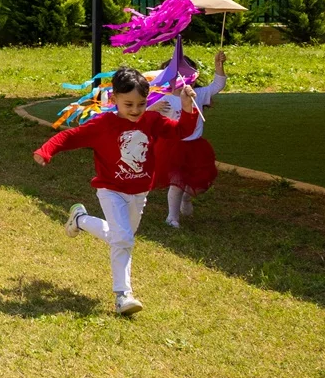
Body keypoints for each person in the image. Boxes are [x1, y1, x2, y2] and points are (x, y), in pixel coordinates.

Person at [36, 67, 199, 316]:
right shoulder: (103, 124)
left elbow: (181, 131)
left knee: (120, 237)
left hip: (140, 192)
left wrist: (187, 108)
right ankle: (123, 295)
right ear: (114, 99)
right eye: (128, 104)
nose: (135, 110)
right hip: (110, 189)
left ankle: (80, 219)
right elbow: (70, 137)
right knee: (123, 239)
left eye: (141, 104)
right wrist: (46, 150)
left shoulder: (152, 121)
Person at [152, 50, 227, 228]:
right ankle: (172, 217)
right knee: (176, 183)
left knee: (199, 184)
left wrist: (219, 65)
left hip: (196, 146)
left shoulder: (197, 94)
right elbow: (141, 115)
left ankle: (186, 199)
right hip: (172, 147)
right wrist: (152, 108)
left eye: (187, 75)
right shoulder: (162, 98)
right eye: (177, 75)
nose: (182, 80)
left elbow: (218, 85)